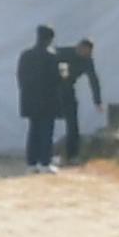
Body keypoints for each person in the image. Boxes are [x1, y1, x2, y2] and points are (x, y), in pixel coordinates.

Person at [14, 23, 63, 171]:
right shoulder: (52, 56)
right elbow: (58, 79)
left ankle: (31, 162)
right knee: (46, 131)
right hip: (48, 99)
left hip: (29, 99)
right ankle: (45, 162)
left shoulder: (25, 55)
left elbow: (20, 76)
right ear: (50, 39)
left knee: (33, 131)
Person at [56, 35, 102, 162]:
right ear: (79, 47)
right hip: (52, 89)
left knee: (73, 124)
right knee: (45, 122)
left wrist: (97, 101)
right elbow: (61, 72)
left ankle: (72, 155)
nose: (86, 55)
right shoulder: (63, 53)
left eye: (89, 53)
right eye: (85, 51)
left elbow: (93, 80)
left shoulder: (87, 60)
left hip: (68, 90)